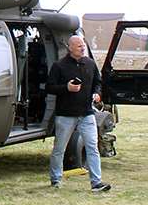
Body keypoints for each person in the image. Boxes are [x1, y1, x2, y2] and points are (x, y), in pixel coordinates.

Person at [44, 35, 111, 193]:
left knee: (92, 147)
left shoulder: (90, 63)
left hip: (87, 114)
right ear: (70, 47)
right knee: (59, 148)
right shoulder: (59, 66)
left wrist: (96, 94)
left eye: (83, 45)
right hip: (65, 115)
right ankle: (56, 179)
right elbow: (50, 87)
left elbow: (98, 83)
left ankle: (96, 182)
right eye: (79, 46)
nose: (82, 48)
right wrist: (66, 88)